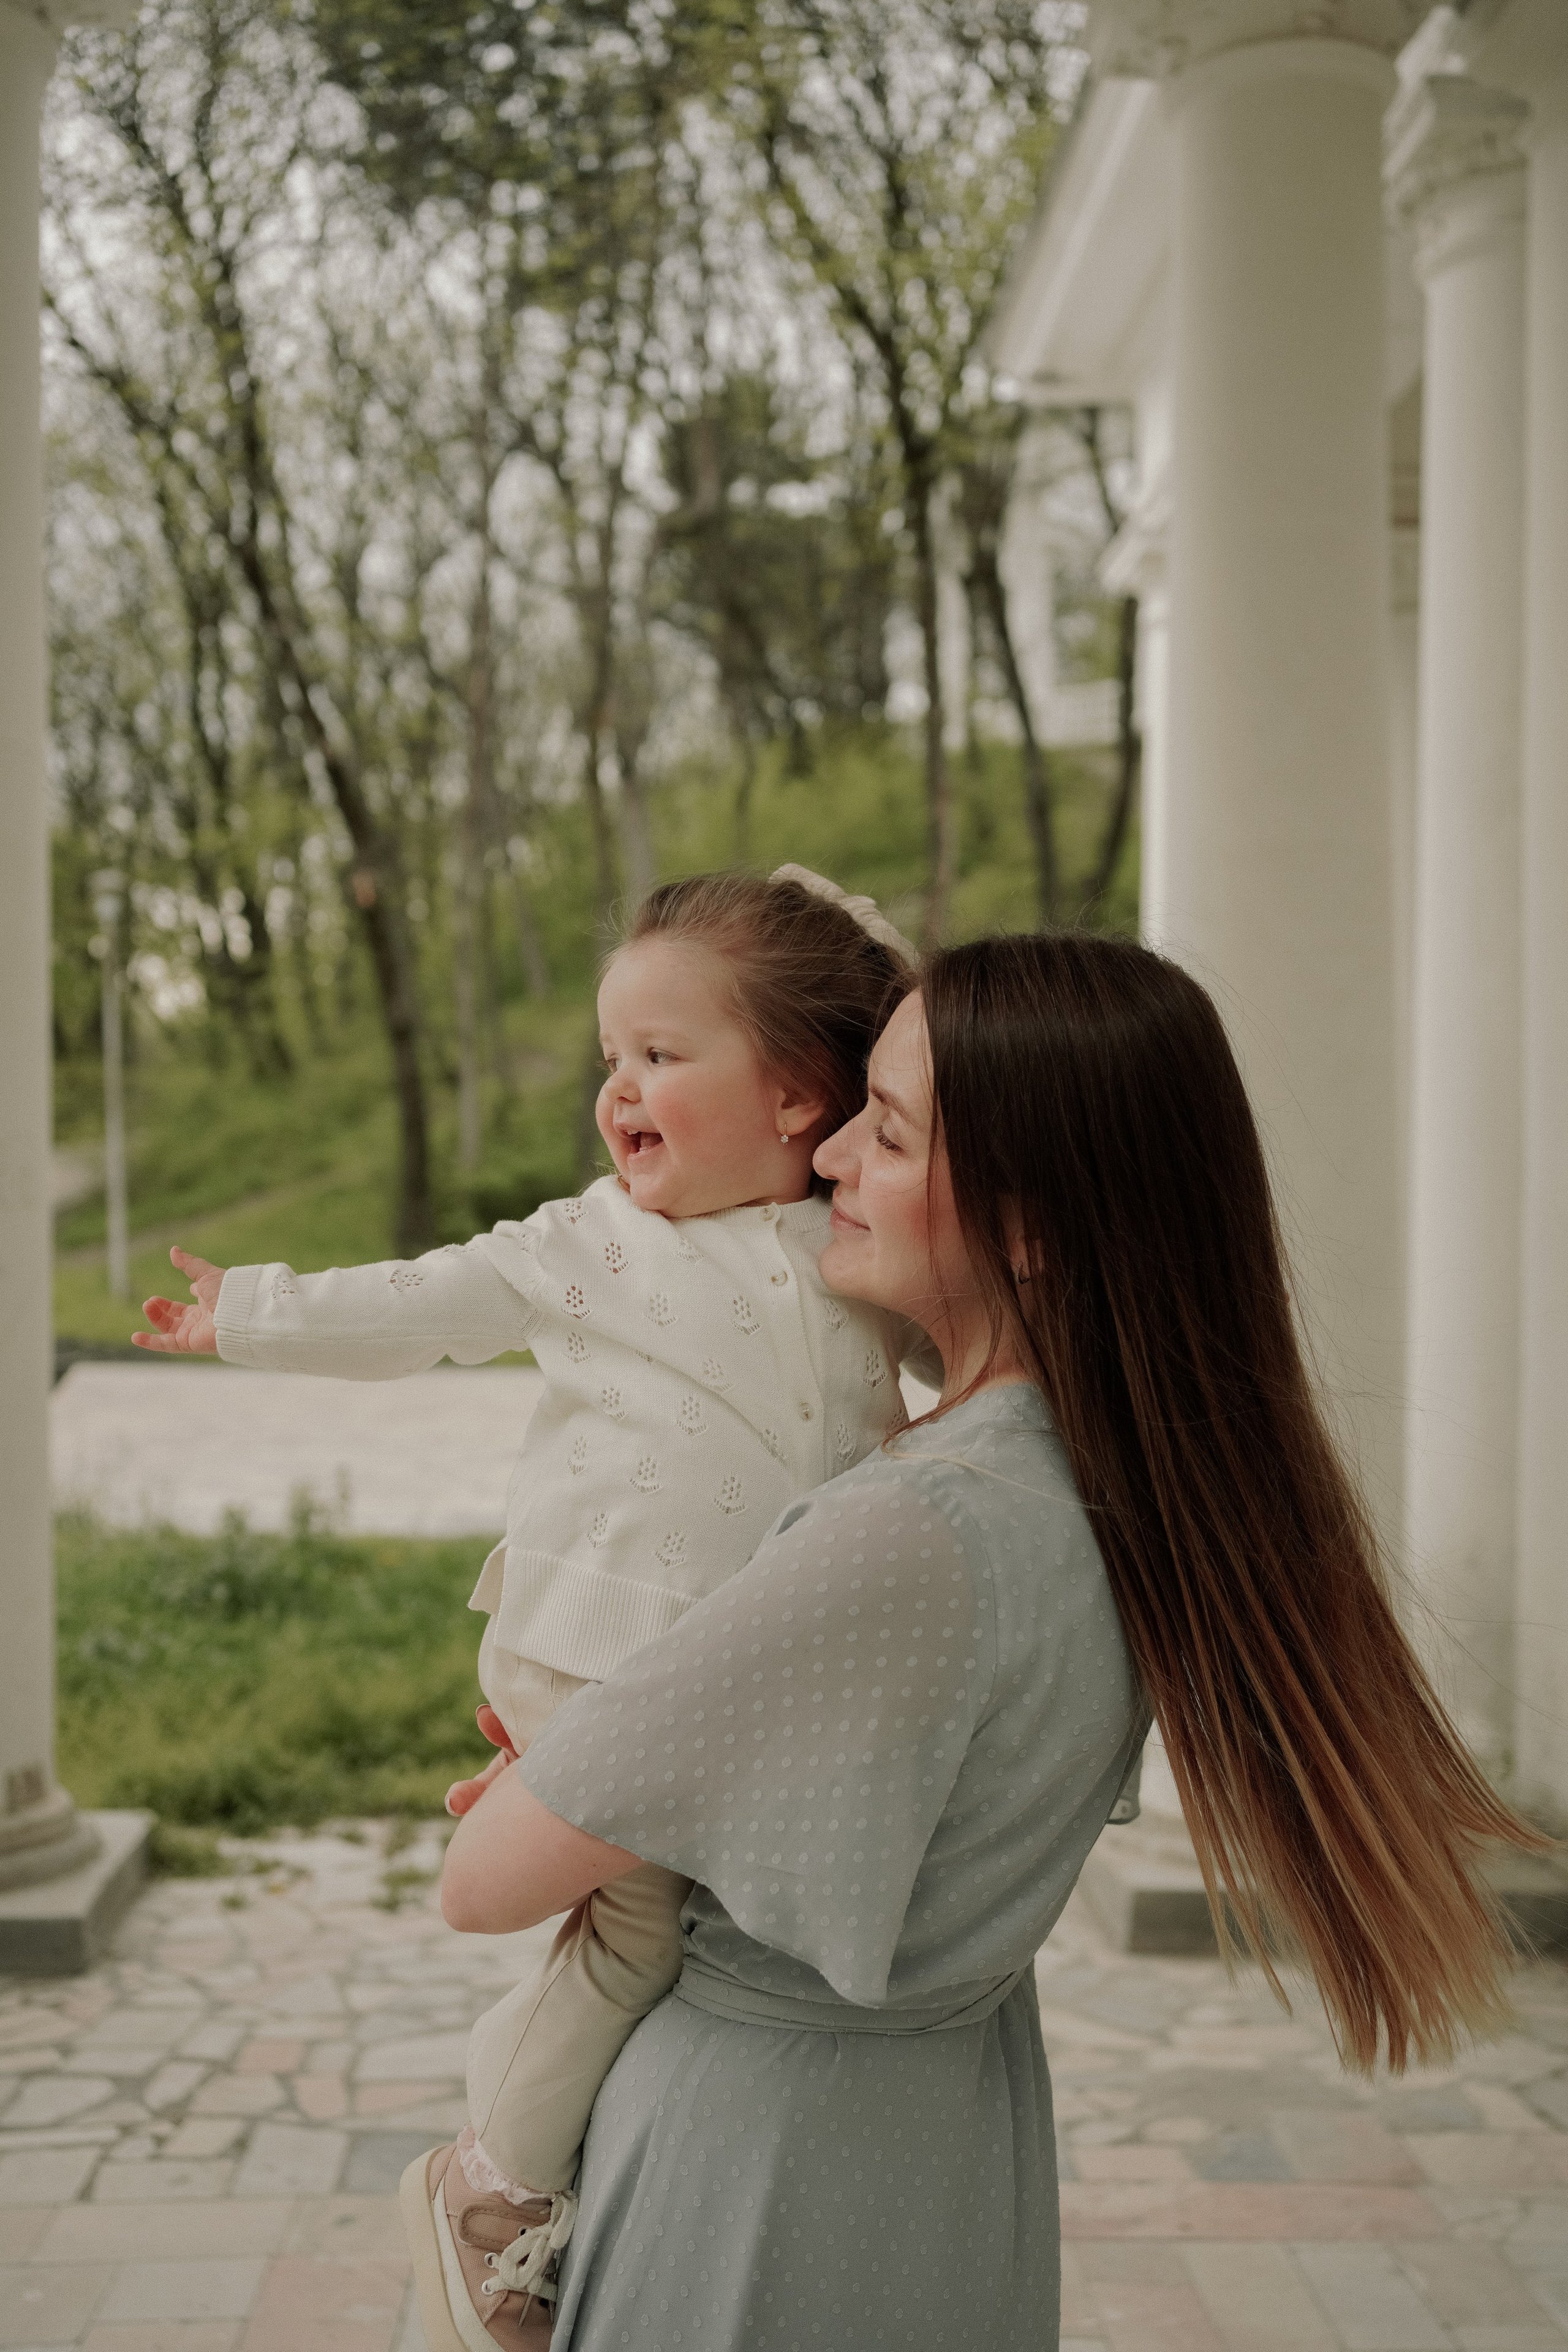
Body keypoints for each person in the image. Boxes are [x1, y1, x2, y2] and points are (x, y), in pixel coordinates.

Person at [432, 930, 1544, 2352]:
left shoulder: (910, 1532)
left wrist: (565, 1762)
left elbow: (485, 1878)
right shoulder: (1108, 1485)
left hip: (756, 2170)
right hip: (945, 2139)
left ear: (1028, 1222)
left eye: (884, 1133)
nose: (827, 1157)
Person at [132, 868, 940, 2336]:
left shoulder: (853, 1250)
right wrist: (247, 1313)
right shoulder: (585, 1248)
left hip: (747, 1680)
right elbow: (420, 1305)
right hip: (599, 1652)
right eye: (608, 1060)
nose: (616, 1090)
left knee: (711, 1930)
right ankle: (491, 2181)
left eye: (658, 1056)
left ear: (794, 1101)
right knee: (637, 1936)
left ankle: (651, 2162)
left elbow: (964, 1366)